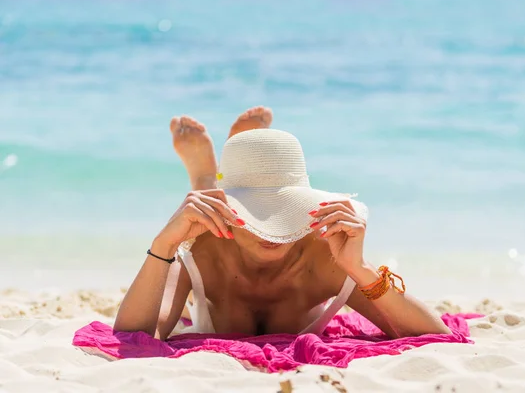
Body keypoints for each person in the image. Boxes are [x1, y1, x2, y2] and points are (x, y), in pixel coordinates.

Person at [114, 107, 450, 340]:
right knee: (204, 209)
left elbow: (434, 335)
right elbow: (137, 335)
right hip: (217, 230)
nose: (273, 228)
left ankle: (215, 174)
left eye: (286, 209)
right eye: (256, 211)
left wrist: (359, 268)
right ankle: (205, 178)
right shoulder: (200, 249)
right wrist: (163, 246)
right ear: (231, 210)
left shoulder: (327, 255)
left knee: (210, 203)